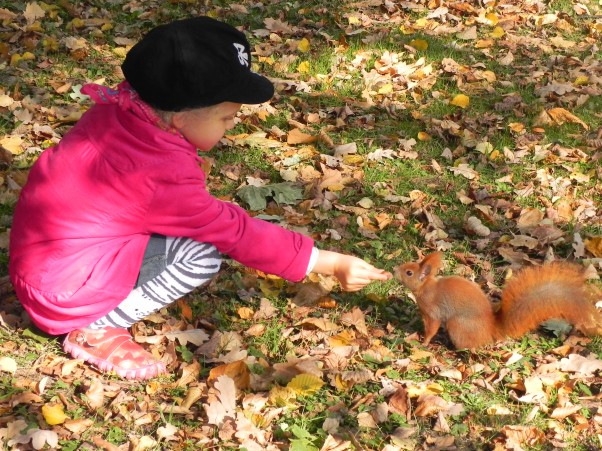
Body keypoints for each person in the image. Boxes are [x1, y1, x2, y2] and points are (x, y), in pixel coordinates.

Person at [9, 17, 391, 380]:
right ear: (180, 118)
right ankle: (96, 327)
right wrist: (326, 261)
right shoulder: (160, 176)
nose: (233, 124)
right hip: (64, 292)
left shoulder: (119, 112)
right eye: (226, 118)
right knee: (201, 254)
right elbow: (232, 231)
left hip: (42, 265)